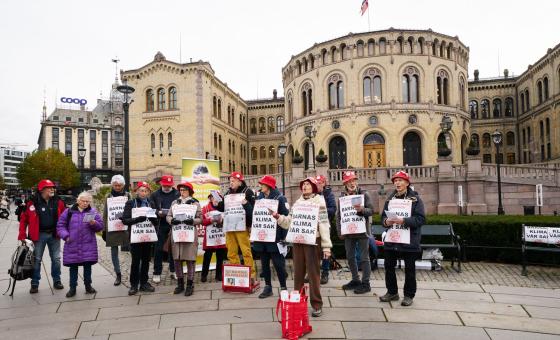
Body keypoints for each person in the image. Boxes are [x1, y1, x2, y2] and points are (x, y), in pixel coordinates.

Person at [273, 177, 332, 317]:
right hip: (298, 242)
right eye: (303, 184)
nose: (305, 186)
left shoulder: (320, 202)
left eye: (308, 184)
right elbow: (288, 222)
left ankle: (317, 304)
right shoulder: (297, 203)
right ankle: (298, 301)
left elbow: (324, 224)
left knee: (313, 274)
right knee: (298, 274)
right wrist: (278, 217)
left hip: (313, 242)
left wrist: (326, 247)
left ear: (313, 187)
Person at [380, 171, 425, 307]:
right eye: (395, 180)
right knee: (388, 267)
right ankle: (392, 292)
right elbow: (382, 218)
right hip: (392, 240)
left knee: (410, 269)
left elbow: (420, 219)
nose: (397, 183)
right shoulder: (390, 199)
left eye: (400, 180)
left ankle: (408, 295)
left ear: (407, 183)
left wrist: (403, 221)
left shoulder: (415, 200)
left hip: (409, 241)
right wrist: (386, 222)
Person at [18, 179, 66, 293]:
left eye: (53, 187)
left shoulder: (58, 201)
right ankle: (34, 283)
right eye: (49, 187)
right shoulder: (32, 202)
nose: (52, 189)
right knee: (37, 259)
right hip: (38, 235)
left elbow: (65, 217)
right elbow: (23, 219)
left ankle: (57, 280)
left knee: (56, 259)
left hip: (54, 235)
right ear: (42, 190)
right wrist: (22, 235)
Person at [57, 192, 104, 297]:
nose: (85, 203)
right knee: (73, 267)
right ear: (78, 201)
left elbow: (100, 227)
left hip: (88, 245)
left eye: (87, 201)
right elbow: (60, 226)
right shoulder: (68, 212)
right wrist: (66, 236)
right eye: (83, 201)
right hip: (72, 243)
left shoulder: (93, 212)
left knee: (87, 267)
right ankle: (72, 288)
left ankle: (88, 286)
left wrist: (94, 223)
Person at [336, 171, 375, 294]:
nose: (352, 183)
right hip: (348, 232)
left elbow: (372, 211)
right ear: (345, 184)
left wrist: (362, 209)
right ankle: (355, 280)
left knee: (364, 257)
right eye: (349, 181)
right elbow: (338, 216)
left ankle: (366, 283)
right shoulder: (342, 197)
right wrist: (339, 231)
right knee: (350, 256)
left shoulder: (364, 194)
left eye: (353, 181)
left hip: (362, 231)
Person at [253, 175, 289, 299]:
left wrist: (284, 238)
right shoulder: (260, 197)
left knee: (279, 264)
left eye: (262, 184)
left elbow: (286, 219)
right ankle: (268, 287)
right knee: (264, 264)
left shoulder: (280, 198)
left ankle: (283, 288)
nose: (260, 186)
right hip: (262, 237)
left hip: (275, 238)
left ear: (268, 186)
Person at [217, 172, 256, 284]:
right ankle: (237, 274)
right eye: (230, 181)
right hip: (229, 226)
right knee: (231, 252)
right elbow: (223, 207)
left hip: (242, 227)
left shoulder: (247, 192)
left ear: (240, 181)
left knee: (246, 251)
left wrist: (249, 225)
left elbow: (252, 210)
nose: (231, 183)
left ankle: (251, 275)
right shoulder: (228, 192)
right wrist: (216, 204)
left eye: (233, 181)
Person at [121, 181, 159, 295]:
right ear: (137, 191)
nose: (143, 193)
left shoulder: (151, 203)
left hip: (147, 236)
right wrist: (137, 219)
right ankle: (133, 285)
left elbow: (156, 221)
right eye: (141, 190)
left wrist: (153, 219)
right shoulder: (131, 203)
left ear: (149, 192)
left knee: (146, 261)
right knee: (136, 261)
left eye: (146, 191)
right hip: (135, 237)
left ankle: (144, 283)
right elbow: (125, 220)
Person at [167, 182, 202, 296]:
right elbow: (168, 215)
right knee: (177, 259)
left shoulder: (195, 203)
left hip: (190, 234)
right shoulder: (175, 202)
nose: (182, 192)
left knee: (190, 260)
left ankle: (190, 285)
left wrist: (192, 221)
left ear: (189, 191)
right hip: (177, 234)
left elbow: (200, 218)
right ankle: (180, 284)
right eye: (181, 190)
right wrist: (172, 221)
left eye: (184, 190)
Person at [103, 175, 132, 286]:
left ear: (123, 185)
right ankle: (118, 274)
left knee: (131, 250)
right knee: (114, 252)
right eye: (115, 185)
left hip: (125, 227)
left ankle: (132, 272)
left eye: (119, 185)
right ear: (112, 185)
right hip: (112, 226)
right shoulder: (108, 196)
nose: (117, 187)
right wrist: (104, 229)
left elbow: (132, 210)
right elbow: (105, 213)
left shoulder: (128, 195)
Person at [150, 175, 180, 283]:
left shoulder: (177, 194)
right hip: (160, 224)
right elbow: (150, 208)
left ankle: (174, 270)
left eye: (169, 185)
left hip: (173, 224)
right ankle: (157, 272)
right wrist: (158, 212)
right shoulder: (154, 195)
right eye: (165, 185)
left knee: (174, 248)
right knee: (158, 249)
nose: (167, 187)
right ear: (161, 183)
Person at [201, 192, 227, 282]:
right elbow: (202, 221)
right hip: (210, 238)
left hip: (220, 237)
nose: (215, 200)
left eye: (218, 198)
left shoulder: (224, 208)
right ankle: (204, 275)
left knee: (220, 257)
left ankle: (219, 275)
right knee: (207, 257)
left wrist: (222, 220)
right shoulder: (205, 208)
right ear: (210, 198)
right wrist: (210, 220)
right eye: (213, 198)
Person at [315, 175, 336, 284]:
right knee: (313, 250)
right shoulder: (312, 194)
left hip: (325, 225)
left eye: (320, 183)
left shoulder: (329, 194)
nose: (318, 185)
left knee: (325, 250)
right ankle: (313, 272)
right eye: (316, 183)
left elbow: (333, 210)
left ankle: (325, 273)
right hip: (314, 226)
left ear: (324, 183)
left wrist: (321, 210)